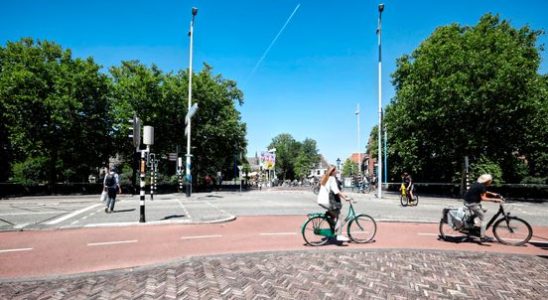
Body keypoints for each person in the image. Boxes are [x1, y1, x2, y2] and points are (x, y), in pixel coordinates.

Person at [463, 174, 503, 242]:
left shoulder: (478, 184)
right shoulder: (482, 186)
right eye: (490, 181)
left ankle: (470, 219)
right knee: (484, 219)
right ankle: (482, 237)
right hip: (472, 204)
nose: (491, 182)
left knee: (484, 209)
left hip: (468, 201)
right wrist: (495, 200)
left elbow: (483, 192)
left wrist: (493, 194)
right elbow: (484, 198)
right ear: (487, 181)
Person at [317, 166, 351, 242]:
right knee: (340, 216)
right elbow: (336, 191)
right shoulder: (331, 178)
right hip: (326, 201)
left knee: (332, 215)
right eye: (335, 171)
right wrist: (345, 198)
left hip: (321, 200)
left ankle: (333, 228)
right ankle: (339, 235)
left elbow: (334, 190)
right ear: (332, 172)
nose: (336, 172)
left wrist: (344, 195)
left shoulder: (325, 178)